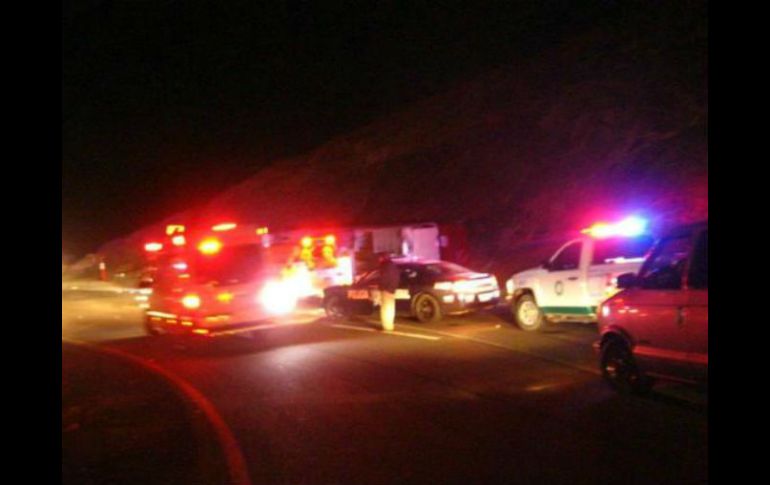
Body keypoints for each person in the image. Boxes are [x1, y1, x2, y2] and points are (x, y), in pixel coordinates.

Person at [378, 254, 400, 332]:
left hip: (386, 290)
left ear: (383, 258)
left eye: (379, 258)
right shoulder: (393, 266)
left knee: (385, 309)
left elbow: (383, 279)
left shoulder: (385, 267)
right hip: (392, 290)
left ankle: (386, 327)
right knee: (390, 308)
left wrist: (381, 287)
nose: (378, 260)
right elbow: (397, 277)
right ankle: (390, 325)